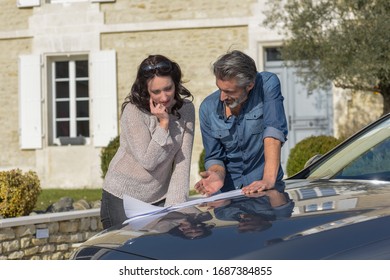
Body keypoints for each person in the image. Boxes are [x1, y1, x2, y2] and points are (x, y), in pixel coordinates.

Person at [101, 54, 195, 230]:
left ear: (176, 83)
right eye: (156, 92)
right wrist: (164, 125)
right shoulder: (133, 111)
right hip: (122, 196)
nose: (164, 97)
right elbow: (148, 161)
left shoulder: (186, 110)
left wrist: (176, 209)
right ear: (146, 91)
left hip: (159, 197)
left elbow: (183, 161)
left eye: (168, 88)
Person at [195, 50, 288, 196]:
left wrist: (268, 180)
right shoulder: (207, 108)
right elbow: (214, 156)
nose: (222, 97)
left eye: (229, 91)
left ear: (249, 85)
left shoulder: (267, 85)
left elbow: (273, 131)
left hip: (267, 193)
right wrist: (217, 174)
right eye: (220, 89)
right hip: (230, 198)